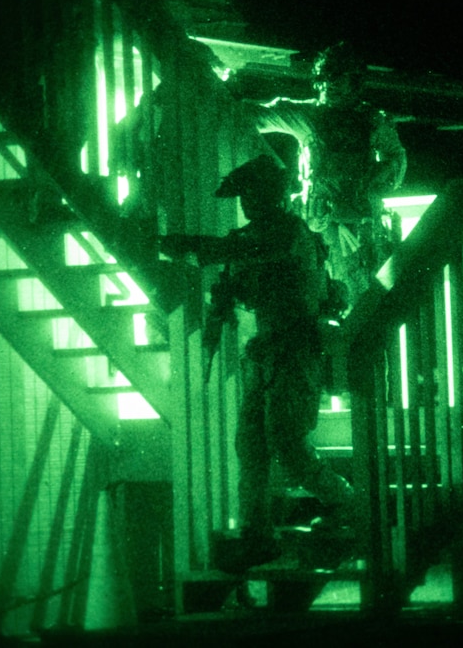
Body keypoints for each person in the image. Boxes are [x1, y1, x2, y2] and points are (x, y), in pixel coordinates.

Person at [160, 155, 354, 573]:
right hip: (263, 354)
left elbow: (247, 250)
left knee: (288, 442)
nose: (247, 202)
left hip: (296, 351)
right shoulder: (248, 238)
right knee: (251, 447)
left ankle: (345, 503)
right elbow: (227, 288)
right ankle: (257, 535)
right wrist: (215, 317)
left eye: (254, 192)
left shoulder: (290, 232)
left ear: (275, 194)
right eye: (244, 194)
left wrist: (189, 245)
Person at [249, 42, 408, 310]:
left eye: (339, 77)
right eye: (325, 78)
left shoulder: (371, 121)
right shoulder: (308, 116)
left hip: (363, 229)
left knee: (366, 302)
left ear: (353, 81)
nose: (330, 84)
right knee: (316, 296)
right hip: (318, 227)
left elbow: (396, 157)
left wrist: (374, 182)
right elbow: (257, 116)